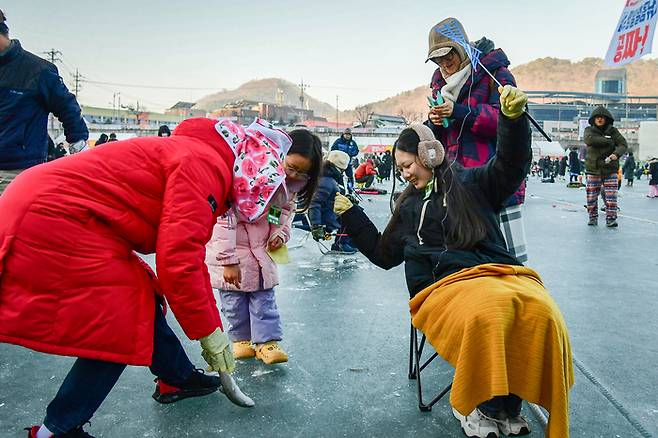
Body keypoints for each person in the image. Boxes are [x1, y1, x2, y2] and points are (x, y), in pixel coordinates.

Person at [0, 117, 296, 438]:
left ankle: (178, 377)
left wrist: (208, 326)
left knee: (142, 292)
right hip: (55, 217)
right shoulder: (204, 166)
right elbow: (179, 260)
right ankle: (57, 429)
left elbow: (187, 254)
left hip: (47, 206)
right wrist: (208, 332)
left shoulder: (204, 156)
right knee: (119, 319)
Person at [334, 86, 573, 438]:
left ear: (430, 154)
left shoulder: (473, 183)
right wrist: (353, 215)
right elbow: (385, 257)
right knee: (489, 312)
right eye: (400, 168)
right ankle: (485, 406)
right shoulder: (408, 206)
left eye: (408, 164)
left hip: (499, 273)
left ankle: (509, 406)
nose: (404, 174)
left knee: (539, 310)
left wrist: (512, 121)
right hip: (439, 288)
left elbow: (511, 164)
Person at [206, 128, 322, 365]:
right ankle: (241, 340)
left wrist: (279, 233)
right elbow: (224, 221)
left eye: (302, 172)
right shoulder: (243, 179)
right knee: (233, 301)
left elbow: (279, 214)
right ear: (278, 155)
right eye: (291, 167)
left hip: (261, 253)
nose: (294, 175)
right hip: (231, 255)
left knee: (264, 300)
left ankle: (267, 342)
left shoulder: (287, 187)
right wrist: (227, 261)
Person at [425, 17, 528, 262]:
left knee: (508, 262)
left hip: (495, 180)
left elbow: (507, 122)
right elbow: (442, 138)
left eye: (448, 54)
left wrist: (458, 112)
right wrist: (435, 123)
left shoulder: (495, 74)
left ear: (461, 47)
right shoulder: (439, 84)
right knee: (466, 260)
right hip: (457, 184)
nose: (444, 63)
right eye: (437, 58)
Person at [0, 9, 88, 195]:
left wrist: (78, 145)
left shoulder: (37, 70)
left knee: (10, 224)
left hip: (17, 171)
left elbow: (67, 106)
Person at [583, 106, 628, 227]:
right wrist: (609, 142)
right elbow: (589, 140)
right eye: (597, 117)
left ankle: (611, 218)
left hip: (610, 169)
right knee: (591, 196)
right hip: (593, 169)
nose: (599, 119)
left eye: (602, 117)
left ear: (606, 119)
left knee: (611, 196)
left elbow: (623, 145)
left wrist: (616, 154)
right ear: (594, 119)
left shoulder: (613, 131)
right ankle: (592, 217)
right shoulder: (589, 130)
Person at [307, 150, 357, 254]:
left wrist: (346, 198)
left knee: (355, 210)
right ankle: (340, 243)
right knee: (350, 215)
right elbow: (314, 203)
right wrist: (316, 225)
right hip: (325, 214)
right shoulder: (326, 181)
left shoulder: (331, 178)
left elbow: (333, 195)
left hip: (329, 210)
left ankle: (348, 239)